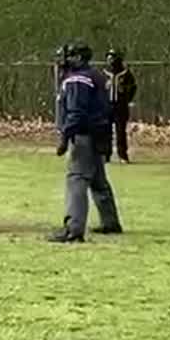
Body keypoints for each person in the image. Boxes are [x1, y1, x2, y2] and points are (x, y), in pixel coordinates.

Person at [49, 41, 121, 243]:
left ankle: (73, 228)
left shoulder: (77, 80)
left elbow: (76, 112)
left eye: (69, 55)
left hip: (84, 135)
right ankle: (110, 222)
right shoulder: (95, 76)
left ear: (79, 58)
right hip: (99, 134)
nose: (64, 60)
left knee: (77, 178)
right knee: (98, 181)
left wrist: (64, 136)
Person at [104, 49, 138, 164]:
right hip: (107, 106)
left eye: (112, 58)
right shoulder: (104, 72)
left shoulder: (125, 73)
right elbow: (98, 88)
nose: (110, 60)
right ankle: (106, 154)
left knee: (120, 132)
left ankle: (122, 155)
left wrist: (126, 96)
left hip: (120, 106)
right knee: (106, 131)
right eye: (108, 58)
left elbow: (133, 87)